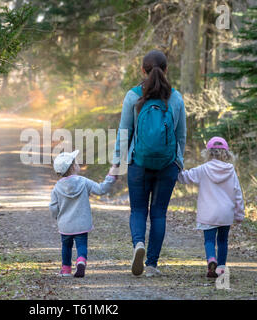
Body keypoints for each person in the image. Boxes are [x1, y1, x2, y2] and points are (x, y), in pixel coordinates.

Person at [110, 49, 187, 277]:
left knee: (138, 210)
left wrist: (117, 163)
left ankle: (138, 245)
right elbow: (181, 136)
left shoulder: (133, 96)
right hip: (167, 164)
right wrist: (178, 162)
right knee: (159, 213)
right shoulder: (176, 97)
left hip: (138, 163)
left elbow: (124, 133)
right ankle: (152, 264)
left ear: (142, 70)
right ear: (165, 70)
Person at [177, 137, 245, 278]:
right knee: (222, 241)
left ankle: (211, 260)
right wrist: (239, 214)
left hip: (208, 214)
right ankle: (220, 269)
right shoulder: (231, 170)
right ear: (226, 154)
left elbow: (184, 178)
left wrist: (175, 167)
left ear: (208, 153)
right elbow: (237, 193)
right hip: (226, 213)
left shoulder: (203, 169)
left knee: (209, 241)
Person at [50, 150, 116, 278]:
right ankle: (81, 261)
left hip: (65, 225)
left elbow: (53, 207)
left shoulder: (57, 187)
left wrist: (57, 217)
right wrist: (111, 177)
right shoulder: (83, 181)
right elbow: (101, 189)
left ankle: (66, 270)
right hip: (82, 223)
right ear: (74, 166)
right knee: (81, 244)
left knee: (66, 246)